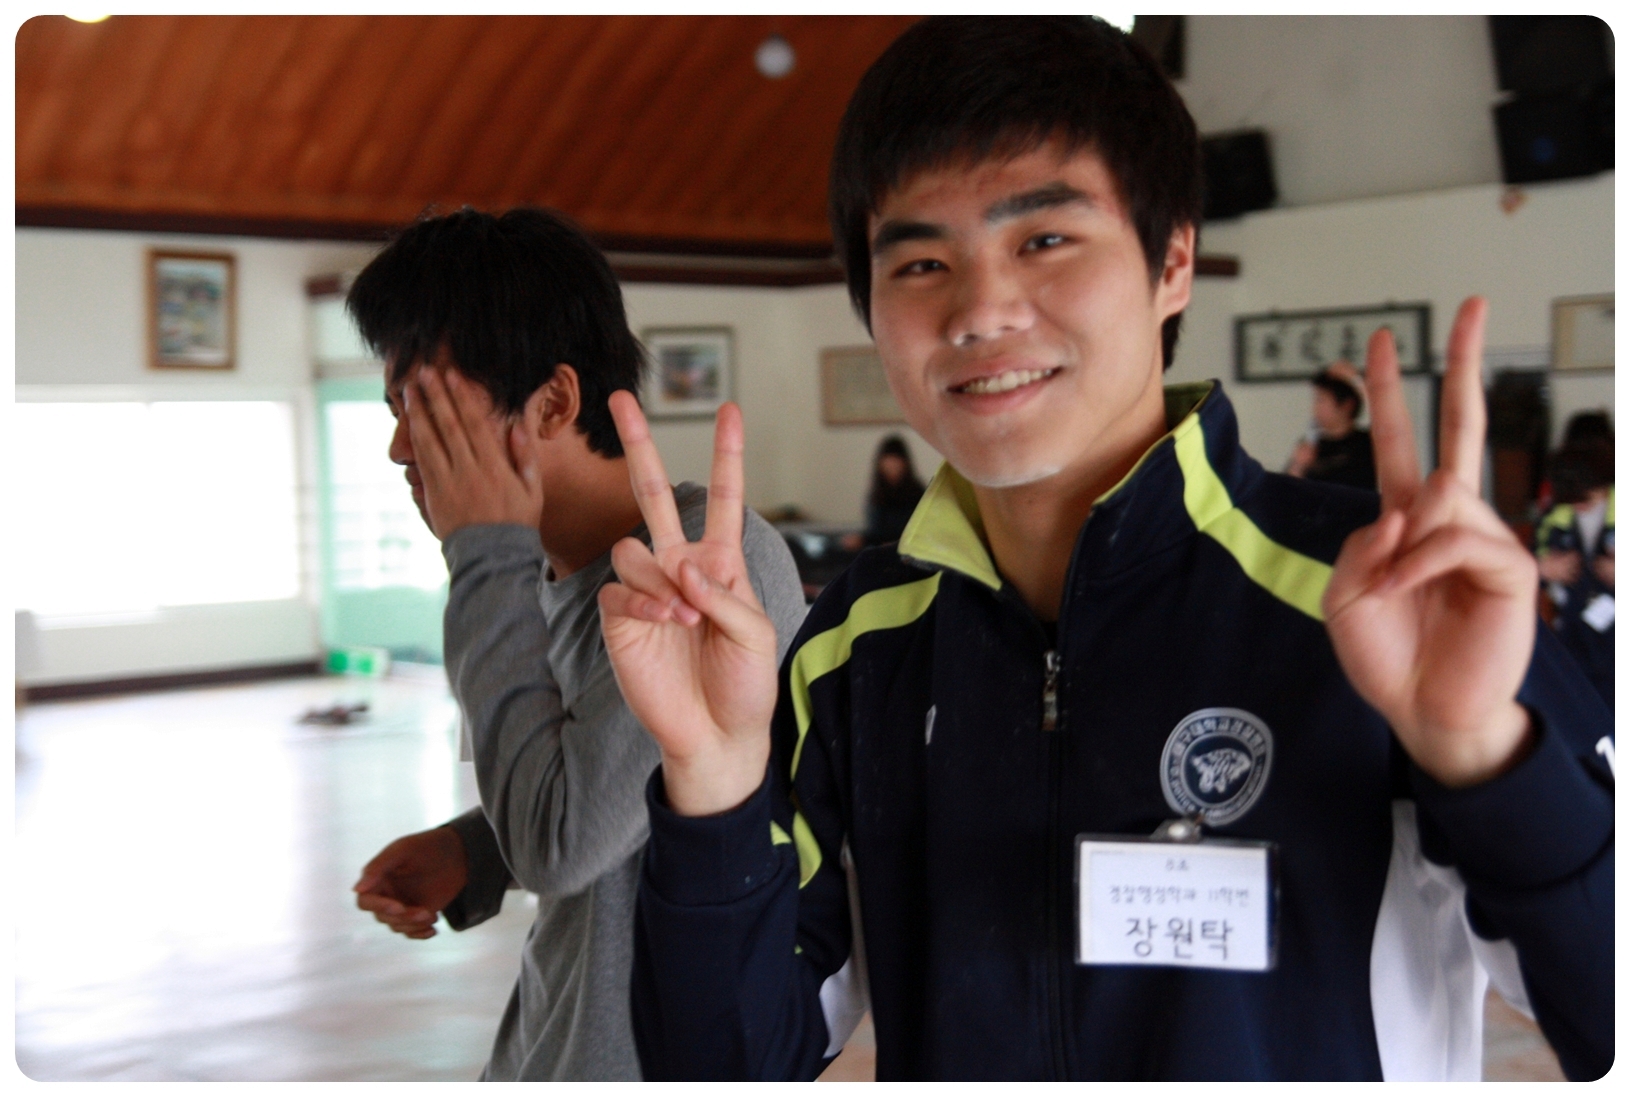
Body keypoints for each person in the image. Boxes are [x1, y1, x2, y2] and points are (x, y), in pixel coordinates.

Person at [596, 17, 1613, 1082]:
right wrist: (711, 778)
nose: (981, 309)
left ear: (1172, 261)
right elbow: (724, 1065)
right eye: (923, 262)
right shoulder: (855, 647)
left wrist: (1485, 750)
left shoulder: (1382, 596)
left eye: (1044, 240)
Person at [343, 207, 806, 1081]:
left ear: (554, 401)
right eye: (396, 409)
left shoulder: (710, 561)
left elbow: (561, 840)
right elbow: (610, 794)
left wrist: (484, 552)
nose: (401, 446)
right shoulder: (543, 578)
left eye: (428, 407)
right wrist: (475, 850)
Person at [1534, 441, 1614, 706]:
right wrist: (1541, 568)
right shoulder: (1555, 517)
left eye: (1585, 498)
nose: (1579, 506)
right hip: (1573, 633)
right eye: (1572, 499)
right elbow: (1525, 564)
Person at [1286, 362, 1376, 491]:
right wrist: (1297, 466)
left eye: (1321, 400)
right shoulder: (1311, 444)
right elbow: (1286, 492)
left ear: (1347, 405)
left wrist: (1357, 382)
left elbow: (1384, 418)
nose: (1315, 408)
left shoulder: (1368, 442)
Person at [841, 434, 928, 552]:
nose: (892, 465)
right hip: (882, 549)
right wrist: (863, 539)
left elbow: (918, 529)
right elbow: (876, 530)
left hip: (908, 549)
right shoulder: (877, 494)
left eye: (895, 460)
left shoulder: (917, 492)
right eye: (888, 460)